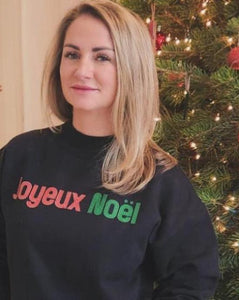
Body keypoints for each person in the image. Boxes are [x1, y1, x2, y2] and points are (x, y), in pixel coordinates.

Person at [0, 0, 219, 299]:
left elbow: (192, 281)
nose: (82, 70)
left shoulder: (158, 179)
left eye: (102, 57)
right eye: (72, 54)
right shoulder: (19, 155)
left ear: (130, 69)